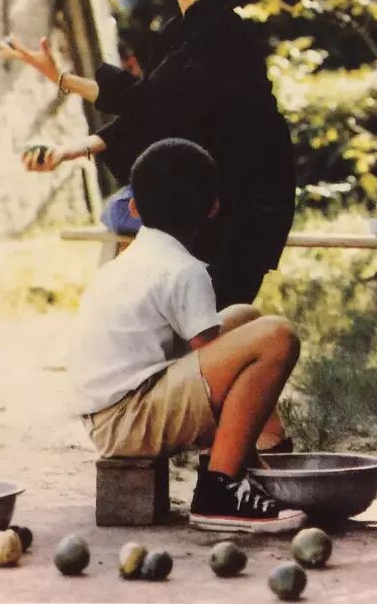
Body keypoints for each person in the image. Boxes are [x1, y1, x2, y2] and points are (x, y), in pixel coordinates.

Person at [0, 0, 296, 312]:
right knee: (123, 217)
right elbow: (152, 115)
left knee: (201, 326)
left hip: (240, 209)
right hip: (207, 202)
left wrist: (62, 78)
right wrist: (68, 149)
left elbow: (146, 103)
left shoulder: (222, 35)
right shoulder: (182, 32)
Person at [70, 138, 305, 533]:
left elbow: (208, 357)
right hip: (130, 421)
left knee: (245, 317)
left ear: (134, 208)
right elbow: (218, 373)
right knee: (277, 336)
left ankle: (267, 455)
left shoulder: (129, 261)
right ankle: (220, 489)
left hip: (108, 417)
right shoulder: (184, 270)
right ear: (213, 208)